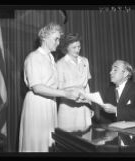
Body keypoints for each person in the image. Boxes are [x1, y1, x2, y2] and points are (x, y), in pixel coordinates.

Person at [19, 23, 81, 152]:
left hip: (49, 103)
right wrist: (65, 93)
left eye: (59, 39)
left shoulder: (50, 58)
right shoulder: (34, 57)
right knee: (37, 143)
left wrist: (74, 92)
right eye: (56, 39)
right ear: (45, 38)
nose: (58, 43)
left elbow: (54, 84)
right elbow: (37, 87)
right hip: (37, 104)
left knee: (49, 143)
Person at [56, 33, 94, 132]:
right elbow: (59, 89)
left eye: (79, 46)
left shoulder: (85, 61)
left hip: (84, 106)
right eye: (74, 47)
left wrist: (90, 105)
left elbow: (87, 86)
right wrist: (73, 95)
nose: (77, 50)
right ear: (66, 48)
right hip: (68, 106)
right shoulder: (60, 64)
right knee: (69, 140)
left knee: (86, 138)